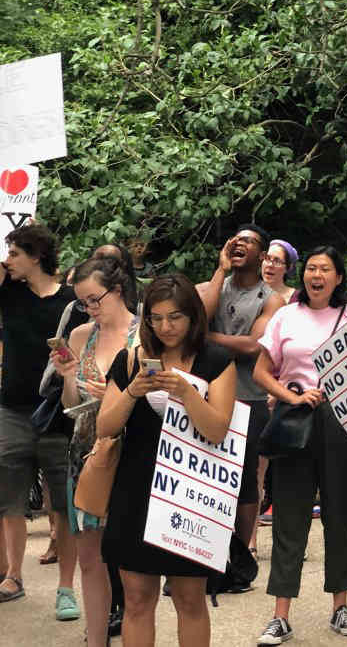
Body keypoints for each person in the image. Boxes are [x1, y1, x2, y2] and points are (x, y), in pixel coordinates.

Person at [96, 273, 236, 646]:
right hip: (136, 489)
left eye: (174, 317)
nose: (165, 327)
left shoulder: (215, 360)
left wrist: (187, 394)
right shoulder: (131, 360)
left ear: (192, 316)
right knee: (137, 599)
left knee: (190, 599)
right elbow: (105, 427)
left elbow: (218, 430)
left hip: (189, 492)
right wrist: (132, 392)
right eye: (156, 318)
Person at [253, 247, 347, 644]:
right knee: (289, 517)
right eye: (312, 268)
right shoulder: (285, 315)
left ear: (339, 277)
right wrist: (290, 395)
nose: (317, 275)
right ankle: (280, 615)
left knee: (339, 514)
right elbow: (261, 371)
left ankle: (341, 607)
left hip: (341, 422)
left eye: (325, 269)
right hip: (295, 418)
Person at [52, 257, 138, 646]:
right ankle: (97, 637)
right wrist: (70, 377)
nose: (89, 308)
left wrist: (118, 398)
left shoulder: (143, 334)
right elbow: (70, 405)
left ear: (117, 290)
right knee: (90, 558)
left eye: (94, 299)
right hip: (86, 453)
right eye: (83, 302)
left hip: (132, 452)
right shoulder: (80, 335)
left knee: (132, 566)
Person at [0, 223, 79, 612]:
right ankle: (13, 575)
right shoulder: (8, 293)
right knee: (9, 499)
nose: (8, 259)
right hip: (12, 409)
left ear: (36, 256)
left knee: (62, 503)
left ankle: (66, 588)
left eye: (15, 253)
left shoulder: (71, 302)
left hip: (57, 412)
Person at [198, 225, 285, 560]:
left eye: (248, 241)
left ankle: (240, 555)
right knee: (205, 475)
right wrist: (220, 270)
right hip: (206, 394)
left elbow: (253, 345)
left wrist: (205, 339)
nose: (239, 244)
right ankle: (205, 548)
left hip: (249, 397)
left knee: (246, 479)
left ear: (262, 255)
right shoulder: (213, 287)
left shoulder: (271, 299)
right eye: (236, 239)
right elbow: (199, 318)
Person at [262, 239, 299, 304]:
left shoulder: (297, 299)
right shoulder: (249, 292)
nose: (270, 265)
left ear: (289, 267)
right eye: (267, 258)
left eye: (277, 261)